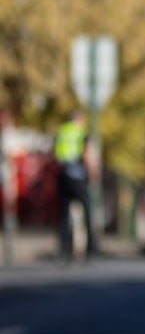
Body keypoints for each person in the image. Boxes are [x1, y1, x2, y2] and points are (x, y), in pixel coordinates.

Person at [53, 109, 98, 261]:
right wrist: (92, 173)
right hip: (78, 175)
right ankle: (91, 249)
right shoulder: (81, 132)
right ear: (79, 119)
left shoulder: (61, 131)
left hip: (63, 174)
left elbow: (56, 154)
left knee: (65, 215)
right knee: (87, 211)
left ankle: (64, 249)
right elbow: (87, 154)